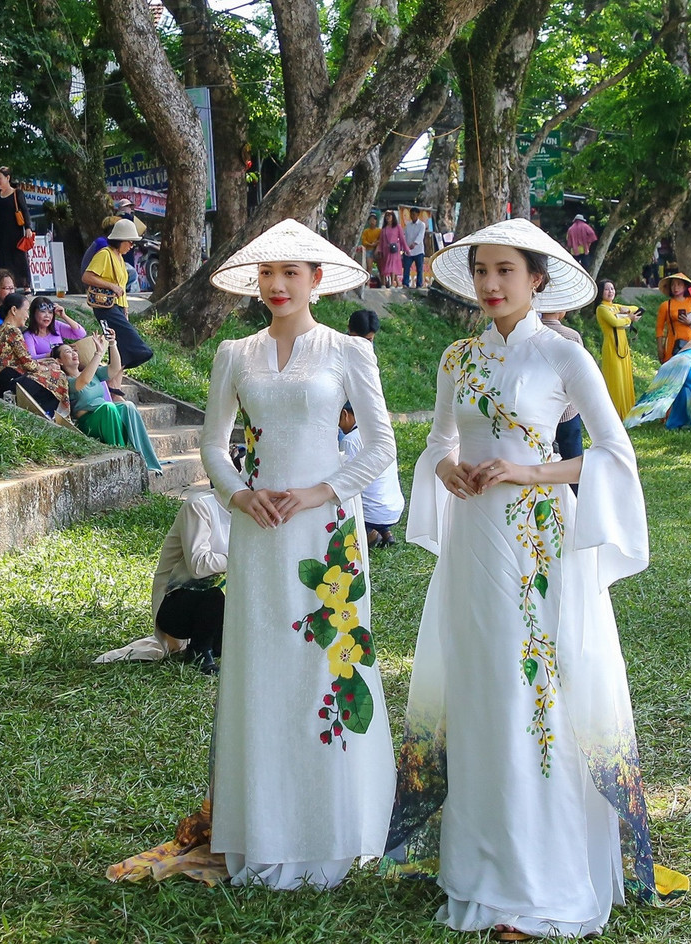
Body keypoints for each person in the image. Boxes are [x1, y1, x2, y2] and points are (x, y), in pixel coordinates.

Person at [388, 218, 684, 939]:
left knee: (534, 691)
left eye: (505, 271)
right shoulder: (457, 357)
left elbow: (612, 452)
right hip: (473, 540)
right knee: (479, 682)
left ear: (537, 280)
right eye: (481, 271)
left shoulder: (562, 353)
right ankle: (476, 863)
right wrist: (449, 469)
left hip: (539, 545)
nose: (490, 284)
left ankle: (540, 873)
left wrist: (529, 472)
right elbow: (437, 443)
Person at [195, 217, 396, 889]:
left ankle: (334, 830)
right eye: (267, 273)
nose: (277, 284)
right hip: (258, 531)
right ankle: (264, 827)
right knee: (262, 667)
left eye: (290, 272)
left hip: (326, 532)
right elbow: (213, 444)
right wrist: (239, 495)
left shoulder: (348, 351)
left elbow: (380, 446)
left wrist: (317, 493)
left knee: (325, 665)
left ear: (317, 279)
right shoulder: (234, 354)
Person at [94, 487, 231, 668]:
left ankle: (212, 643)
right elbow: (198, 566)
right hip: (174, 604)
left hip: (216, 605)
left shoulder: (250, 517)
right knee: (214, 595)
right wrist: (240, 558)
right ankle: (199, 652)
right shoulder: (200, 505)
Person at [55, 334, 163, 473]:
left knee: (128, 406)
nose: (73, 353)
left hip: (107, 414)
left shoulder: (93, 373)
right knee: (108, 407)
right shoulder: (66, 381)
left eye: (74, 350)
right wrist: (98, 353)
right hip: (88, 421)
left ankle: (143, 457)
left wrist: (112, 344)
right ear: (59, 361)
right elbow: (83, 381)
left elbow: (114, 368)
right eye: (68, 352)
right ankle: (123, 459)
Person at [82, 219, 154, 368]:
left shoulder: (119, 257)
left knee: (119, 352)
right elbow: (87, 277)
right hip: (105, 307)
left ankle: (115, 381)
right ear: (120, 240)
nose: (131, 246)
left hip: (119, 307)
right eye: (130, 242)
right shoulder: (104, 254)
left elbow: (121, 286)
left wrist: (125, 309)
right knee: (134, 343)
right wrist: (111, 286)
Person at [0, 292, 70, 417]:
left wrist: (45, 364)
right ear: (14, 310)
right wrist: (46, 368)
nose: (27, 315)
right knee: (58, 374)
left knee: (50, 368)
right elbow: (28, 363)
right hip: (9, 383)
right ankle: (56, 416)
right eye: (26, 311)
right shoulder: (13, 330)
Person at [337, 402, 404, 546]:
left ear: (344, 414)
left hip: (373, 514)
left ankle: (369, 533)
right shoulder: (382, 433)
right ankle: (386, 532)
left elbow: (346, 482)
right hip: (394, 509)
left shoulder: (350, 440)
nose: (339, 427)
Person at [539, 309, 587, 465]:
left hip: (538, 408)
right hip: (567, 409)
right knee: (572, 456)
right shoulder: (571, 336)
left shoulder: (530, 334)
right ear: (561, 310)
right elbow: (579, 373)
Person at [594, 279, 641, 419]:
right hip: (611, 347)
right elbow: (615, 322)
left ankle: (627, 412)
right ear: (601, 292)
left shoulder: (615, 307)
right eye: (607, 289)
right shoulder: (602, 309)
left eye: (612, 289)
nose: (610, 292)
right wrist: (629, 318)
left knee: (625, 378)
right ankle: (615, 414)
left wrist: (626, 310)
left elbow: (635, 307)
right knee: (616, 379)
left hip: (623, 347)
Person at [0, 166, 34, 288]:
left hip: (15, 232)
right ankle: (7, 286)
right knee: (3, 260)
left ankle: (25, 285)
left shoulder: (17, 193)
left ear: (8, 178)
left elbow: (25, 210)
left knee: (19, 259)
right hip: (1, 232)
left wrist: (28, 227)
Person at [23, 295, 87, 360]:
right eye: (43, 311)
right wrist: (55, 353)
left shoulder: (56, 325)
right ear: (33, 313)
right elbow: (31, 357)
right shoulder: (28, 335)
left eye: (50, 312)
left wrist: (64, 316)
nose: (47, 315)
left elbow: (81, 334)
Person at [655, 272, 691, 362]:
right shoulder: (666, 305)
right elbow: (659, 328)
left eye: (679, 284)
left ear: (685, 286)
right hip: (673, 344)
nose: (675, 287)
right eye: (673, 284)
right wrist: (660, 348)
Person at [378, 210, 407, 288]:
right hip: (386, 250)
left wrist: (406, 249)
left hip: (394, 250)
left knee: (393, 266)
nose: (388, 217)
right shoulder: (384, 229)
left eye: (389, 215)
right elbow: (381, 241)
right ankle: (386, 283)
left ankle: (392, 284)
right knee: (386, 266)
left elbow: (402, 239)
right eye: (386, 216)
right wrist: (380, 250)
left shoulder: (397, 227)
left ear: (393, 217)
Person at [402, 210, 427, 289]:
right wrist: (404, 247)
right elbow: (404, 235)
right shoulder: (408, 225)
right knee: (406, 267)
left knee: (419, 268)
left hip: (418, 251)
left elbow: (420, 235)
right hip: (408, 251)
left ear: (418, 214)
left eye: (414, 214)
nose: (412, 216)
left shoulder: (421, 225)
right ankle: (405, 283)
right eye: (411, 214)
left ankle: (419, 284)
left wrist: (415, 243)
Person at [360, 212, 381, 277]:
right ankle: (368, 281)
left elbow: (381, 239)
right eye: (371, 220)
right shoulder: (366, 231)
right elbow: (364, 241)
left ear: (376, 221)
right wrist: (370, 245)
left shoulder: (379, 231)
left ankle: (383, 281)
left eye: (374, 220)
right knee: (369, 267)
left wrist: (376, 244)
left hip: (377, 250)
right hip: (369, 250)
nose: (372, 221)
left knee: (381, 268)